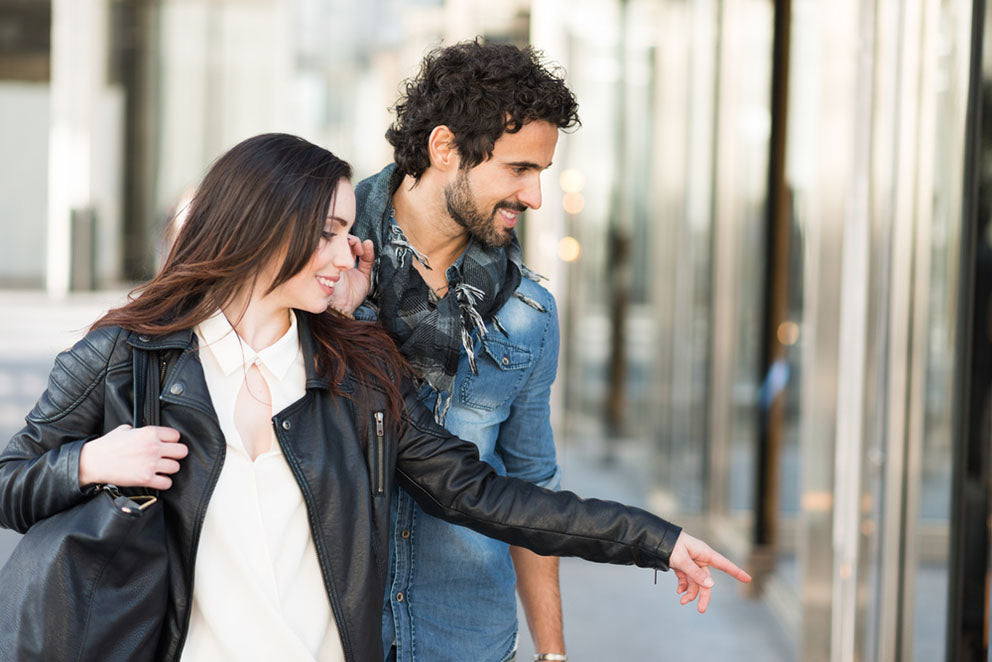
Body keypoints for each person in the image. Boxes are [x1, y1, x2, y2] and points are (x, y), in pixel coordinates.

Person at [0, 133, 750, 662]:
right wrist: (90, 461)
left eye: (349, 232)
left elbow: (489, 497)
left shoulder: (354, 374)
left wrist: (658, 540)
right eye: (325, 234)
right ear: (261, 229)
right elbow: (10, 482)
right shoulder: (129, 358)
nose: (343, 255)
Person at [340, 40, 575, 661]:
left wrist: (552, 654)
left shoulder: (529, 315)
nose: (535, 197)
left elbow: (531, 486)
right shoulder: (327, 270)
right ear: (445, 149)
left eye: (541, 174)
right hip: (333, 634)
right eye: (519, 169)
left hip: (466, 637)